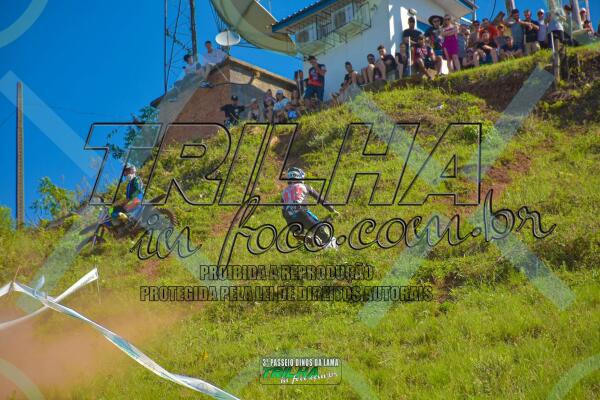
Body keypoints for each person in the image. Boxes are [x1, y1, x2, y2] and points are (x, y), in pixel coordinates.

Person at [281, 167, 339, 249]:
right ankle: (331, 249)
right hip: (302, 213)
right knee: (321, 231)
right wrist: (332, 209)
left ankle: (301, 236)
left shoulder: (284, 192)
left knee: (301, 235)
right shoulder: (305, 186)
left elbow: (283, 211)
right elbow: (320, 199)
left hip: (289, 218)